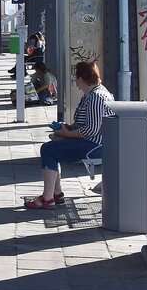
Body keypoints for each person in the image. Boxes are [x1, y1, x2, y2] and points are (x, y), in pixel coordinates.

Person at [24, 61, 114, 208]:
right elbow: (87, 125)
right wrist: (68, 128)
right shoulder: (94, 94)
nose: (77, 84)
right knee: (52, 148)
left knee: (49, 150)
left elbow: (91, 130)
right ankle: (56, 193)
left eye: (76, 79)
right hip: (94, 142)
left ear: (81, 79)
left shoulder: (96, 97)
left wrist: (67, 133)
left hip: (94, 146)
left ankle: (48, 198)